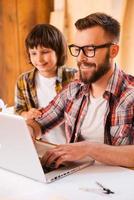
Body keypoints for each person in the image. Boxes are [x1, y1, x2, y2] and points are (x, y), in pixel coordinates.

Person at [27, 12, 134, 168]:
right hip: (74, 181)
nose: (81, 58)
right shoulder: (73, 90)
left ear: (113, 51)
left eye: (90, 49)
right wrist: (28, 131)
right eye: (77, 49)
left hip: (119, 188)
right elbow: (39, 123)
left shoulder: (130, 94)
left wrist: (89, 148)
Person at [14, 24, 68, 144]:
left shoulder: (72, 77)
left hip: (69, 144)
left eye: (44, 52)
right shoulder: (23, 81)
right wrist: (27, 114)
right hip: (41, 143)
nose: (39, 59)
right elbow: (18, 110)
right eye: (33, 53)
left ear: (58, 52)